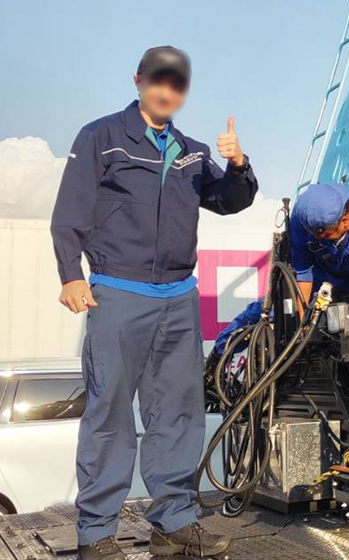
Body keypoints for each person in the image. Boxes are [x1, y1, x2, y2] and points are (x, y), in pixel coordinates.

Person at [50, 46, 258, 560]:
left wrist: (237, 163)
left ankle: (174, 523)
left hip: (179, 299)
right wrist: (69, 276)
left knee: (179, 414)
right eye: (159, 80)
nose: (168, 90)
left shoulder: (189, 151)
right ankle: (97, 534)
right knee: (110, 415)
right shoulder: (100, 137)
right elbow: (68, 213)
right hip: (118, 293)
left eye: (178, 84)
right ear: (140, 80)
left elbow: (230, 201)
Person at [208, 182, 349, 361]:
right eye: (313, 233)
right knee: (275, 307)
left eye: (323, 234)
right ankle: (220, 353)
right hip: (321, 275)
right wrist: (299, 323)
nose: (316, 237)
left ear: (345, 220)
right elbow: (303, 271)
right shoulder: (302, 220)